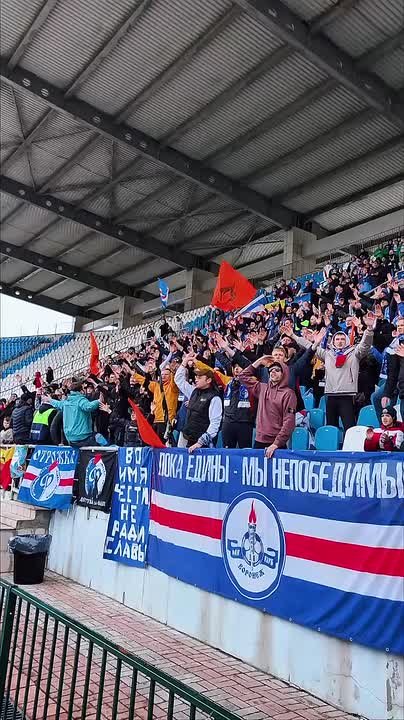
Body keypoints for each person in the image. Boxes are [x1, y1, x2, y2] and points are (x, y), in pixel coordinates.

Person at [290, 313, 375, 432]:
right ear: (333, 342)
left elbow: (365, 345)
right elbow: (309, 346)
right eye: (337, 339)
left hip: (347, 396)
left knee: (349, 428)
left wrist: (369, 329)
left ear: (346, 341)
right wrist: (293, 336)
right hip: (330, 396)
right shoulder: (327, 354)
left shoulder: (354, 353)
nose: (340, 342)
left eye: (342, 339)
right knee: (331, 428)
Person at [239, 359, 297, 458]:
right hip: (259, 441)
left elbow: (289, 422)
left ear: (284, 373)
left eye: (277, 370)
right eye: (270, 370)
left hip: (276, 444)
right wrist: (259, 362)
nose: (273, 372)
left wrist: (276, 444)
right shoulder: (262, 388)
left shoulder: (289, 394)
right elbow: (242, 376)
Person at [174, 354, 222, 452]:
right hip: (188, 437)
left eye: (200, 377)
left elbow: (215, 423)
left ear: (208, 380)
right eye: (196, 376)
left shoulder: (215, 398)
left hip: (203, 444)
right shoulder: (193, 391)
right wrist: (184, 362)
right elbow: (178, 380)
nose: (196, 379)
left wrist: (201, 442)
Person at [42, 382, 108, 447]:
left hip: (70, 438)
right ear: (81, 391)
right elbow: (89, 406)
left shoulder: (66, 402)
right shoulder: (80, 400)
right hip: (82, 436)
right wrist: (98, 401)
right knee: (99, 437)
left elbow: (58, 404)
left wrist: (49, 400)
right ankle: (110, 452)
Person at [222, 362, 254, 448]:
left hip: (245, 423)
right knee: (227, 452)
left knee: (246, 452)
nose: (236, 369)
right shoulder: (227, 381)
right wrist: (196, 361)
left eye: (239, 366)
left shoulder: (252, 383)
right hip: (228, 423)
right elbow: (212, 372)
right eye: (235, 367)